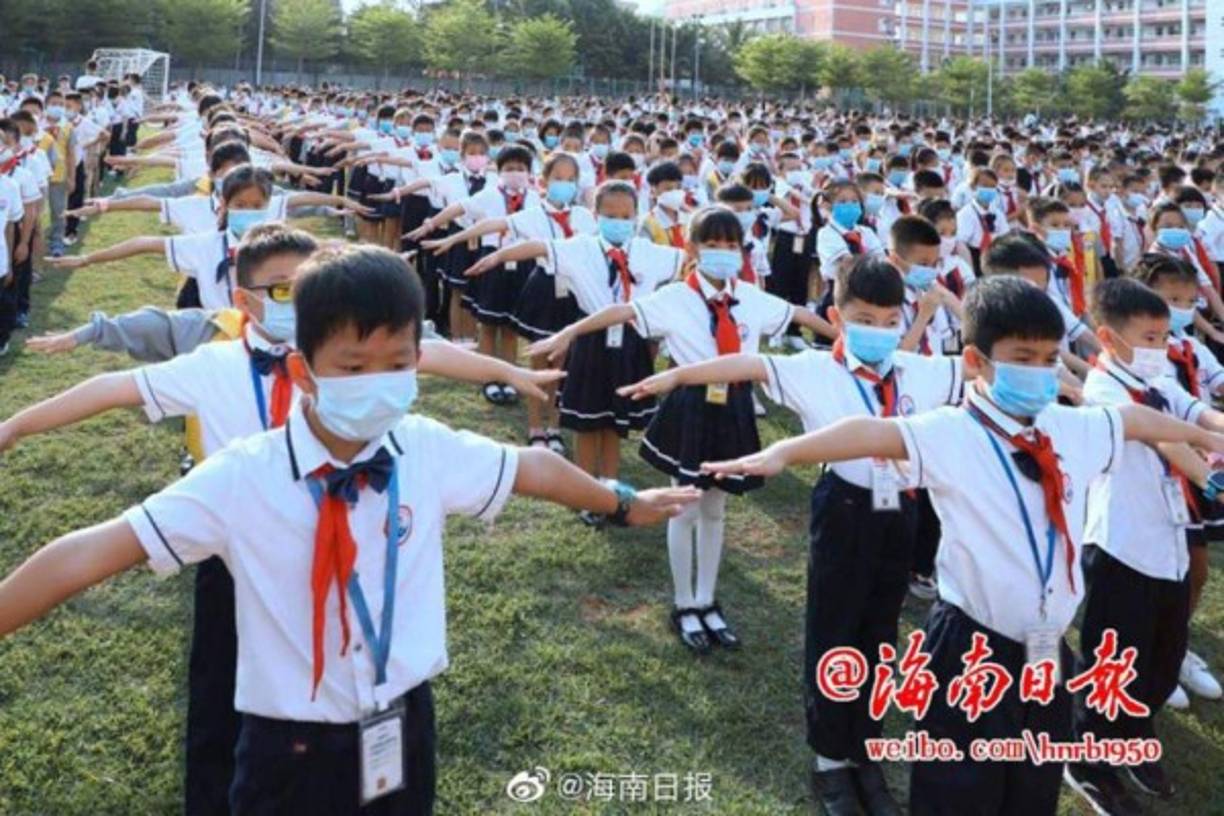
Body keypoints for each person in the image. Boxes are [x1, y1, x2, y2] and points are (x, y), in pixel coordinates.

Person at [0, 244, 697, 816]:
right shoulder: (243, 477)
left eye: (397, 365)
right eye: (353, 368)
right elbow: (93, 551)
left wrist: (619, 500)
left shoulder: (424, 447)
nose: (379, 384)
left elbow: (531, 471)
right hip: (287, 753)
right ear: (303, 372)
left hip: (400, 727)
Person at [701, 275, 1224, 816]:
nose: (1040, 373)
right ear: (975, 360)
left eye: (1049, 359)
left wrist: (1207, 436)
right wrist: (785, 451)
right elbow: (871, 432)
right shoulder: (952, 432)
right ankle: (838, 758)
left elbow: (1133, 420)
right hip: (974, 647)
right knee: (960, 791)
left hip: (1047, 650)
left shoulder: (1069, 428)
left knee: (1031, 787)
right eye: (1023, 356)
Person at [623, 254, 964, 815]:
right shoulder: (814, 369)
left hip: (898, 511)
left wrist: (950, 304)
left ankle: (864, 748)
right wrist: (678, 375)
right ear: (837, 314)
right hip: (845, 508)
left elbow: (982, 370)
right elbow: (744, 365)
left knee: (879, 633)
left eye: (887, 320)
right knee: (834, 628)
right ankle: (831, 758)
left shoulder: (919, 370)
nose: (877, 332)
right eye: (863, 318)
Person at [531, 206, 826, 651]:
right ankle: (684, 603)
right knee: (685, 506)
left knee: (716, 510)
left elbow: (801, 315)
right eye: (713, 245)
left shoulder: (751, 297)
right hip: (691, 405)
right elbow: (620, 311)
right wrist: (569, 332)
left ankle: (708, 599)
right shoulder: (675, 298)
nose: (723, 254)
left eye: (732, 246)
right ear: (693, 248)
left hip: (735, 407)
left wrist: (842, 336)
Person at [1066, 278, 1224, 814]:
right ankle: (1089, 761)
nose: (1163, 346)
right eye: (1151, 337)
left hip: (1170, 543)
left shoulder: (1156, 380)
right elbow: (1167, 440)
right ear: (1109, 338)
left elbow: (1198, 414)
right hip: (1123, 548)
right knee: (1114, 661)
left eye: (1163, 336)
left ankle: (1134, 735)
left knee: (1161, 656)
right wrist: (1216, 479)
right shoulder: (1106, 391)